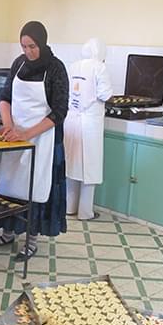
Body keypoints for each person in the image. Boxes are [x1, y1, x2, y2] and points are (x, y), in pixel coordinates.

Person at [0, 21, 69, 260]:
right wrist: (8, 125)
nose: (28, 51)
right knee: (9, 186)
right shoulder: (18, 64)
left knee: (34, 189)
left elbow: (60, 111)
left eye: (32, 46)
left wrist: (27, 134)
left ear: (42, 42)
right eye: (24, 46)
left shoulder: (55, 68)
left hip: (43, 139)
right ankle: (8, 233)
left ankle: (31, 241)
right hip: (15, 137)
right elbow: (5, 97)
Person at [63, 38, 113, 220]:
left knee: (73, 164)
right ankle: (85, 212)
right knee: (90, 168)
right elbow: (105, 94)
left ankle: (69, 207)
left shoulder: (74, 66)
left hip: (72, 119)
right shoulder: (100, 67)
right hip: (90, 123)